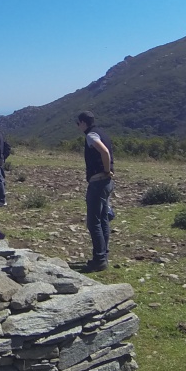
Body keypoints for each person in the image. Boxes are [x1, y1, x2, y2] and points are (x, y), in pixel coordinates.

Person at [76, 110, 114, 271]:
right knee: (103, 219)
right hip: (106, 182)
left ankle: (99, 260)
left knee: (94, 222)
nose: (78, 127)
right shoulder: (101, 132)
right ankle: (103, 255)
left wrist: (106, 170)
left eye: (78, 123)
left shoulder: (91, 135)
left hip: (98, 182)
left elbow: (104, 152)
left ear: (84, 122)